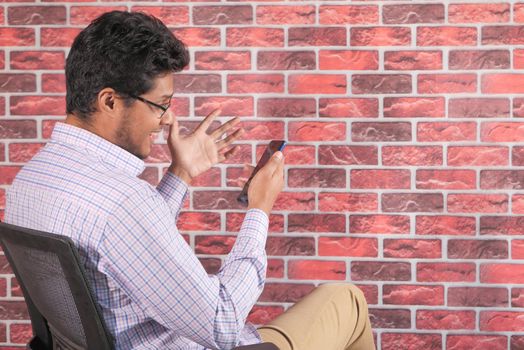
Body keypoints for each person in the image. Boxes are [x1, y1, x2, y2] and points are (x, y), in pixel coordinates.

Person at [5, 10, 374, 350]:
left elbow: (127, 252)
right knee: (348, 300)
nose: (166, 120)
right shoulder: (124, 201)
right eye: (160, 105)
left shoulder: (29, 182)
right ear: (110, 101)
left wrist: (180, 173)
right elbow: (222, 323)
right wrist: (259, 209)